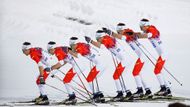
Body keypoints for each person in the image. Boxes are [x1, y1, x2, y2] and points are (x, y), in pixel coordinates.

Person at [102, 23, 153, 98]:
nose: (118, 32)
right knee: (137, 73)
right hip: (141, 56)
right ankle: (147, 90)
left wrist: (112, 33)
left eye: (119, 31)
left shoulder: (126, 33)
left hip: (142, 56)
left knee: (135, 73)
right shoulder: (128, 32)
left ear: (122, 30)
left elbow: (122, 37)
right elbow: (128, 35)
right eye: (118, 31)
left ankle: (140, 91)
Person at [85, 30, 133, 101]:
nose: (98, 41)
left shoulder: (105, 39)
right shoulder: (107, 38)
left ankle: (121, 94)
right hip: (126, 59)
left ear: (101, 37)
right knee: (119, 76)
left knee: (116, 76)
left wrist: (91, 41)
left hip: (125, 60)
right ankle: (127, 93)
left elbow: (101, 47)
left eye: (98, 39)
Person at [137, 18, 172, 96]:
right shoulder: (149, 29)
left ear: (145, 26)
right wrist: (135, 34)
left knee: (156, 71)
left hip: (163, 54)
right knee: (160, 71)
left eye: (141, 27)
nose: (141, 28)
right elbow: (144, 34)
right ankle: (168, 89)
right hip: (163, 54)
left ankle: (164, 89)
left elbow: (148, 35)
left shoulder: (151, 29)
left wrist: (137, 36)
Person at [68, 37, 105, 103]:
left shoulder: (80, 47)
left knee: (89, 79)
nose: (71, 47)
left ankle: (96, 96)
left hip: (100, 64)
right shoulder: (81, 45)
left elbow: (77, 55)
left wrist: (68, 51)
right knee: (91, 79)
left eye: (71, 45)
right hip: (100, 63)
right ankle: (100, 95)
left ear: (75, 44)